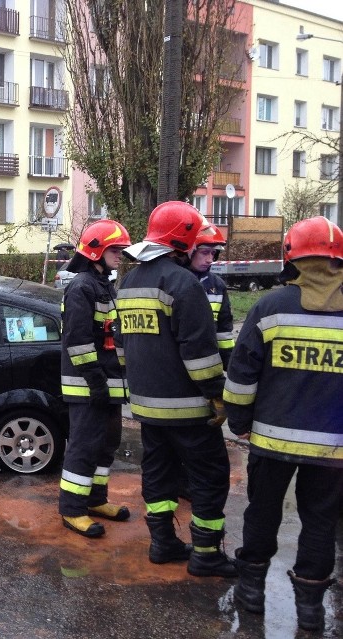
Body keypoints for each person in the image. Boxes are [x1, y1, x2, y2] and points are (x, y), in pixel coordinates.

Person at [224, 216, 342, 631]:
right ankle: (310, 607)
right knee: (320, 521)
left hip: (271, 440)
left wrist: (238, 420)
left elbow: (242, 375)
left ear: (291, 258)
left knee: (263, 510)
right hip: (332, 448)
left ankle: (251, 590)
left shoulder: (270, 307)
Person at [116, 201, 235, 577]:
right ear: (184, 239)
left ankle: (163, 543)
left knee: (158, 474)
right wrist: (217, 394)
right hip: (188, 409)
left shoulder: (129, 281)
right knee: (209, 475)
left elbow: (122, 348)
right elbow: (199, 352)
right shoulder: (184, 284)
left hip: (147, 408)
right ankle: (206, 554)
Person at [58, 219, 132, 538]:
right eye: (115, 250)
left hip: (107, 385)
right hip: (88, 386)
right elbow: (78, 342)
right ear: (97, 251)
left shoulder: (103, 284)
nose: (120, 255)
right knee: (84, 447)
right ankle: (73, 510)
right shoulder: (81, 287)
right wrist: (97, 382)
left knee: (106, 445)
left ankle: (95, 500)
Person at [189, 222, 235, 369]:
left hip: (209, 362)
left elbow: (224, 331)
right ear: (190, 251)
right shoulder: (174, 281)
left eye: (213, 254)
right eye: (204, 252)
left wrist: (230, 366)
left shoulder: (217, 285)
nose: (209, 259)